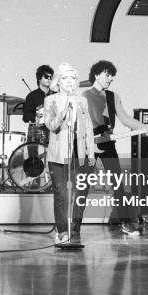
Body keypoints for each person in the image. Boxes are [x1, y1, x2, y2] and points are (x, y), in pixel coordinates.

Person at [82, 60, 148, 236]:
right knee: (82, 186)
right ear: (97, 74)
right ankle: (74, 228)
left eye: (112, 76)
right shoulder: (84, 96)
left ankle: (125, 224)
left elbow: (125, 118)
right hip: (89, 145)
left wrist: (143, 127)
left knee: (118, 185)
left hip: (107, 144)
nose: (111, 78)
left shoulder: (113, 97)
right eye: (107, 74)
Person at [44, 63, 96, 244]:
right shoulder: (50, 100)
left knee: (81, 191)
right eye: (65, 78)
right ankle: (62, 231)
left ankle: (75, 228)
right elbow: (51, 125)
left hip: (78, 154)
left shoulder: (82, 101)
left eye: (73, 78)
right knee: (61, 194)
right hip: (58, 154)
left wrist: (91, 154)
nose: (69, 82)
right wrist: (63, 112)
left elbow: (88, 128)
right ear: (58, 81)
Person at [22, 65, 54, 144]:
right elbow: (26, 116)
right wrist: (36, 117)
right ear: (39, 78)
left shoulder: (56, 95)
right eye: (46, 76)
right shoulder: (32, 96)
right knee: (35, 155)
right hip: (37, 133)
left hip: (53, 133)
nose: (49, 79)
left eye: (51, 77)